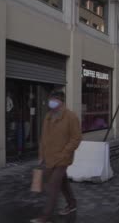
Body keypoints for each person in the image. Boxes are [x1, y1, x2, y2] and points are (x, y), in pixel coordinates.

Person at [31, 90, 82, 223]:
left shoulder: (71, 117)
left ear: (61, 101)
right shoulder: (48, 116)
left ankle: (46, 216)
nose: (50, 103)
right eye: (50, 100)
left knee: (52, 185)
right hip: (49, 158)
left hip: (63, 158)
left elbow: (76, 138)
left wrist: (65, 152)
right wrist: (41, 155)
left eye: (53, 100)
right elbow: (43, 137)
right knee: (62, 183)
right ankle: (72, 204)